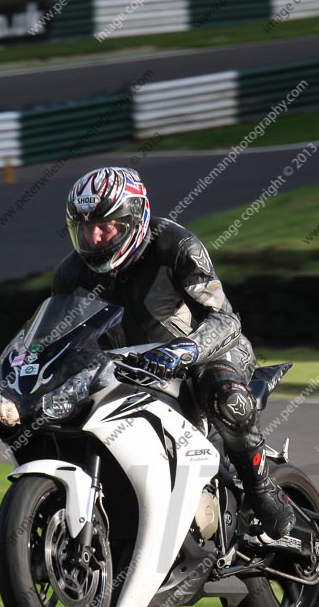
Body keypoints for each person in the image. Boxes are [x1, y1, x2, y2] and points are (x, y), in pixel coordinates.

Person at [52, 167, 295, 539]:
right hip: (131, 370)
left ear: (133, 219)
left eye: (105, 226)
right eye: (85, 228)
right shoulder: (72, 274)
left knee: (226, 395)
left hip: (205, 354)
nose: (95, 237)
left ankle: (264, 492)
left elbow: (224, 319)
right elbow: (57, 336)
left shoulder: (176, 246)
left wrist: (185, 350)